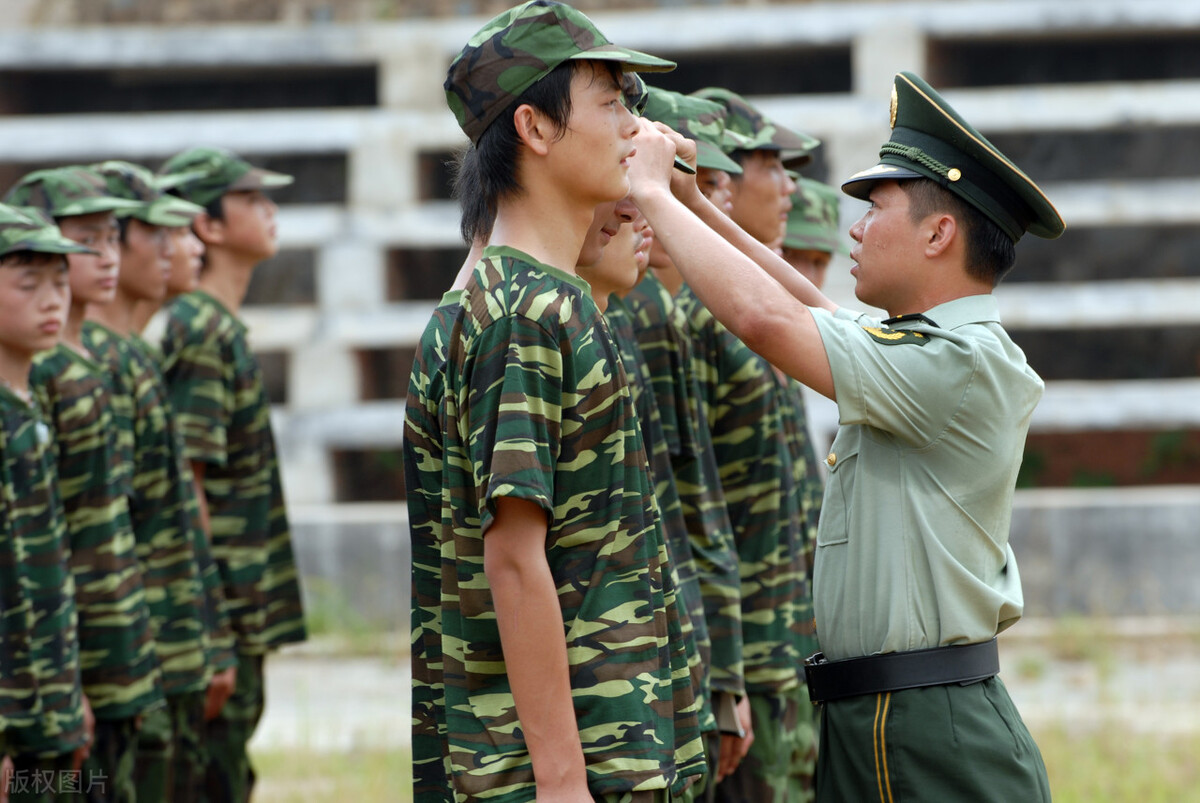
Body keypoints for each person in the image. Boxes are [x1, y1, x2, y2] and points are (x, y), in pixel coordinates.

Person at [626, 70, 1063, 802]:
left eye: (875, 209)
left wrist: (647, 195)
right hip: (881, 712)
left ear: (939, 232)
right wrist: (692, 204)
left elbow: (771, 322)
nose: (853, 229)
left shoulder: (961, 364)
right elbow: (804, 301)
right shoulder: (927, 348)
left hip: (924, 721)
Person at [424, 1, 707, 798]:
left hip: (617, 743)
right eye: (612, 102)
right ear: (535, 129)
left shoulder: (539, 295)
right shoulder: (524, 313)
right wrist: (561, 781)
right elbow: (513, 558)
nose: (635, 129)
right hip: (569, 768)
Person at [669, 89, 823, 803]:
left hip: (784, 646)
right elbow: (695, 507)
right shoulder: (692, 318)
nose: (786, 183)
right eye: (766, 163)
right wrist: (724, 670)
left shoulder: (749, 308)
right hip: (745, 656)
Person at [155, 146, 307, 803]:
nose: (269, 210)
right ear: (206, 226)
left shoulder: (217, 325)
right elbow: (187, 481)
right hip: (223, 607)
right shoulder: (201, 330)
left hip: (240, 603)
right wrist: (209, 625)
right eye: (250, 199)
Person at [9, 167, 166, 802]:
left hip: (102, 646)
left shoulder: (86, 365)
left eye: (110, 238)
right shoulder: (40, 382)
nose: (103, 258)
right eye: (86, 240)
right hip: (47, 677)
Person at [85, 160, 237, 803]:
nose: (188, 248)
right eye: (161, 234)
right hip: (127, 653)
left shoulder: (133, 354)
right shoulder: (91, 365)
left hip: (162, 647)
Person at [634, 85, 750, 796]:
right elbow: (684, 511)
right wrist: (724, 671)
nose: (724, 192)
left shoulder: (663, 310)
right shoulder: (647, 313)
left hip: (699, 663)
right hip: (661, 682)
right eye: (705, 181)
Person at [0, 205, 93, 802]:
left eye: (60, 281)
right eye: (27, 284)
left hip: (47, 705)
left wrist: (67, 694)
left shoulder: (27, 407)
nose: (51, 300)